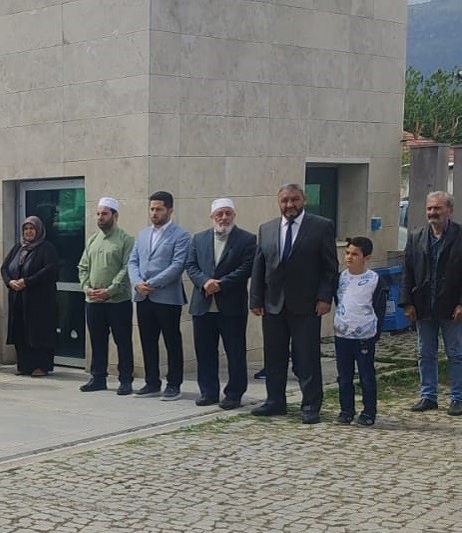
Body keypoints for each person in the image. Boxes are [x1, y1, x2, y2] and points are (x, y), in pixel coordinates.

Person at [250, 182, 338, 424]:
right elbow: (259, 266)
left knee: (306, 357)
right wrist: (256, 299)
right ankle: (275, 401)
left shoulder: (321, 227)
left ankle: (310, 405)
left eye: (294, 200)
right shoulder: (266, 229)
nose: (290, 205)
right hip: (273, 304)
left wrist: (324, 297)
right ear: (279, 202)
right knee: (274, 357)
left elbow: (330, 268)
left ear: (303, 200)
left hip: (307, 304)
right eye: (285, 200)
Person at [401, 190, 462, 416]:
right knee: (425, 352)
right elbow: (407, 271)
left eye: (437, 208)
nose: (433, 213)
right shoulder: (416, 236)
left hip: (452, 305)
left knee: (455, 353)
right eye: (429, 208)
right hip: (424, 305)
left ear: (450, 210)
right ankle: (428, 395)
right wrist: (406, 302)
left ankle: (458, 397)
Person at [186, 198, 256, 409]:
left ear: (234, 215)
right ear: (212, 216)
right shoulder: (199, 239)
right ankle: (208, 392)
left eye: (228, 213)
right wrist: (204, 282)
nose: (224, 218)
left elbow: (247, 267)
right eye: (220, 214)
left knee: (235, 352)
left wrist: (221, 284)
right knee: (205, 351)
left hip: (231, 305)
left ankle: (234, 394)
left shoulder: (247, 239)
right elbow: (191, 265)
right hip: (203, 304)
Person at [127, 191, 192, 400]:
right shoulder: (143, 234)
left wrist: (152, 283)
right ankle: (151, 382)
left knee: (171, 341)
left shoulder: (181, 235)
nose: (154, 213)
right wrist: (137, 283)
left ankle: (174, 384)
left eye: (159, 209)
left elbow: (177, 266)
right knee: (148, 340)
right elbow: (133, 261)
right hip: (143, 296)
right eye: (152, 209)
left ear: (170, 210)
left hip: (166, 297)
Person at [78, 198, 135, 394]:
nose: (100, 218)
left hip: (118, 301)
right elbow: (83, 266)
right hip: (93, 301)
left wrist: (109, 290)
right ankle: (98, 378)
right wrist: (87, 287)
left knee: (123, 341)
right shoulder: (92, 240)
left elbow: (127, 268)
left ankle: (126, 380)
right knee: (97, 341)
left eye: (105, 214)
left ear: (115, 215)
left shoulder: (126, 240)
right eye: (98, 214)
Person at [333, 237, 388, 426]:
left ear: (366, 257)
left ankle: (368, 411)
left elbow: (379, 307)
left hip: (364, 336)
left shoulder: (374, 280)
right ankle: (346, 409)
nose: (349, 257)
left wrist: (375, 332)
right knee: (344, 375)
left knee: (366, 375)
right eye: (347, 253)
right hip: (342, 335)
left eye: (355, 254)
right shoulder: (341, 277)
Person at [0, 215, 60, 377]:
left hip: (40, 302)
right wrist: (10, 282)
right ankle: (23, 365)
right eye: (26, 229)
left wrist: (27, 281)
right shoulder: (18, 247)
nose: (28, 232)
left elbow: (50, 270)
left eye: (32, 229)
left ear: (39, 230)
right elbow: (4, 267)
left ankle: (41, 366)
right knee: (21, 331)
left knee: (39, 333)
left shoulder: (47, 248)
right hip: (18, 298)